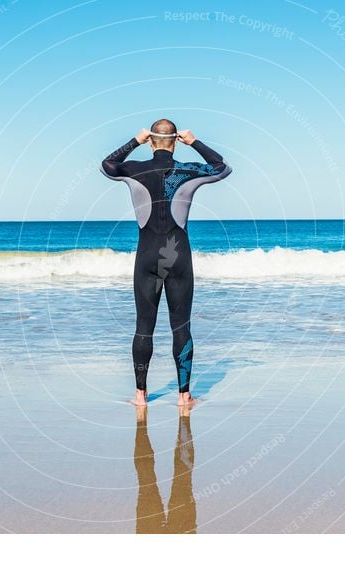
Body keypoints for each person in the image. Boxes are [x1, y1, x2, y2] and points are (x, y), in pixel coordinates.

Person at [101, 119, 231, 407]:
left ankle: (140, 396)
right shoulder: (187, 171)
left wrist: (134, 140)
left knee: (143, 327)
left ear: (151, 141)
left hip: (147, 254)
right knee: (181, 326)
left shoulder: (134, 170)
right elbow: (222, 167)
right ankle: (184, 397)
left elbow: (107, 164)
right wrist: (194, 141)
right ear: (175, 142)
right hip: (177, 256)